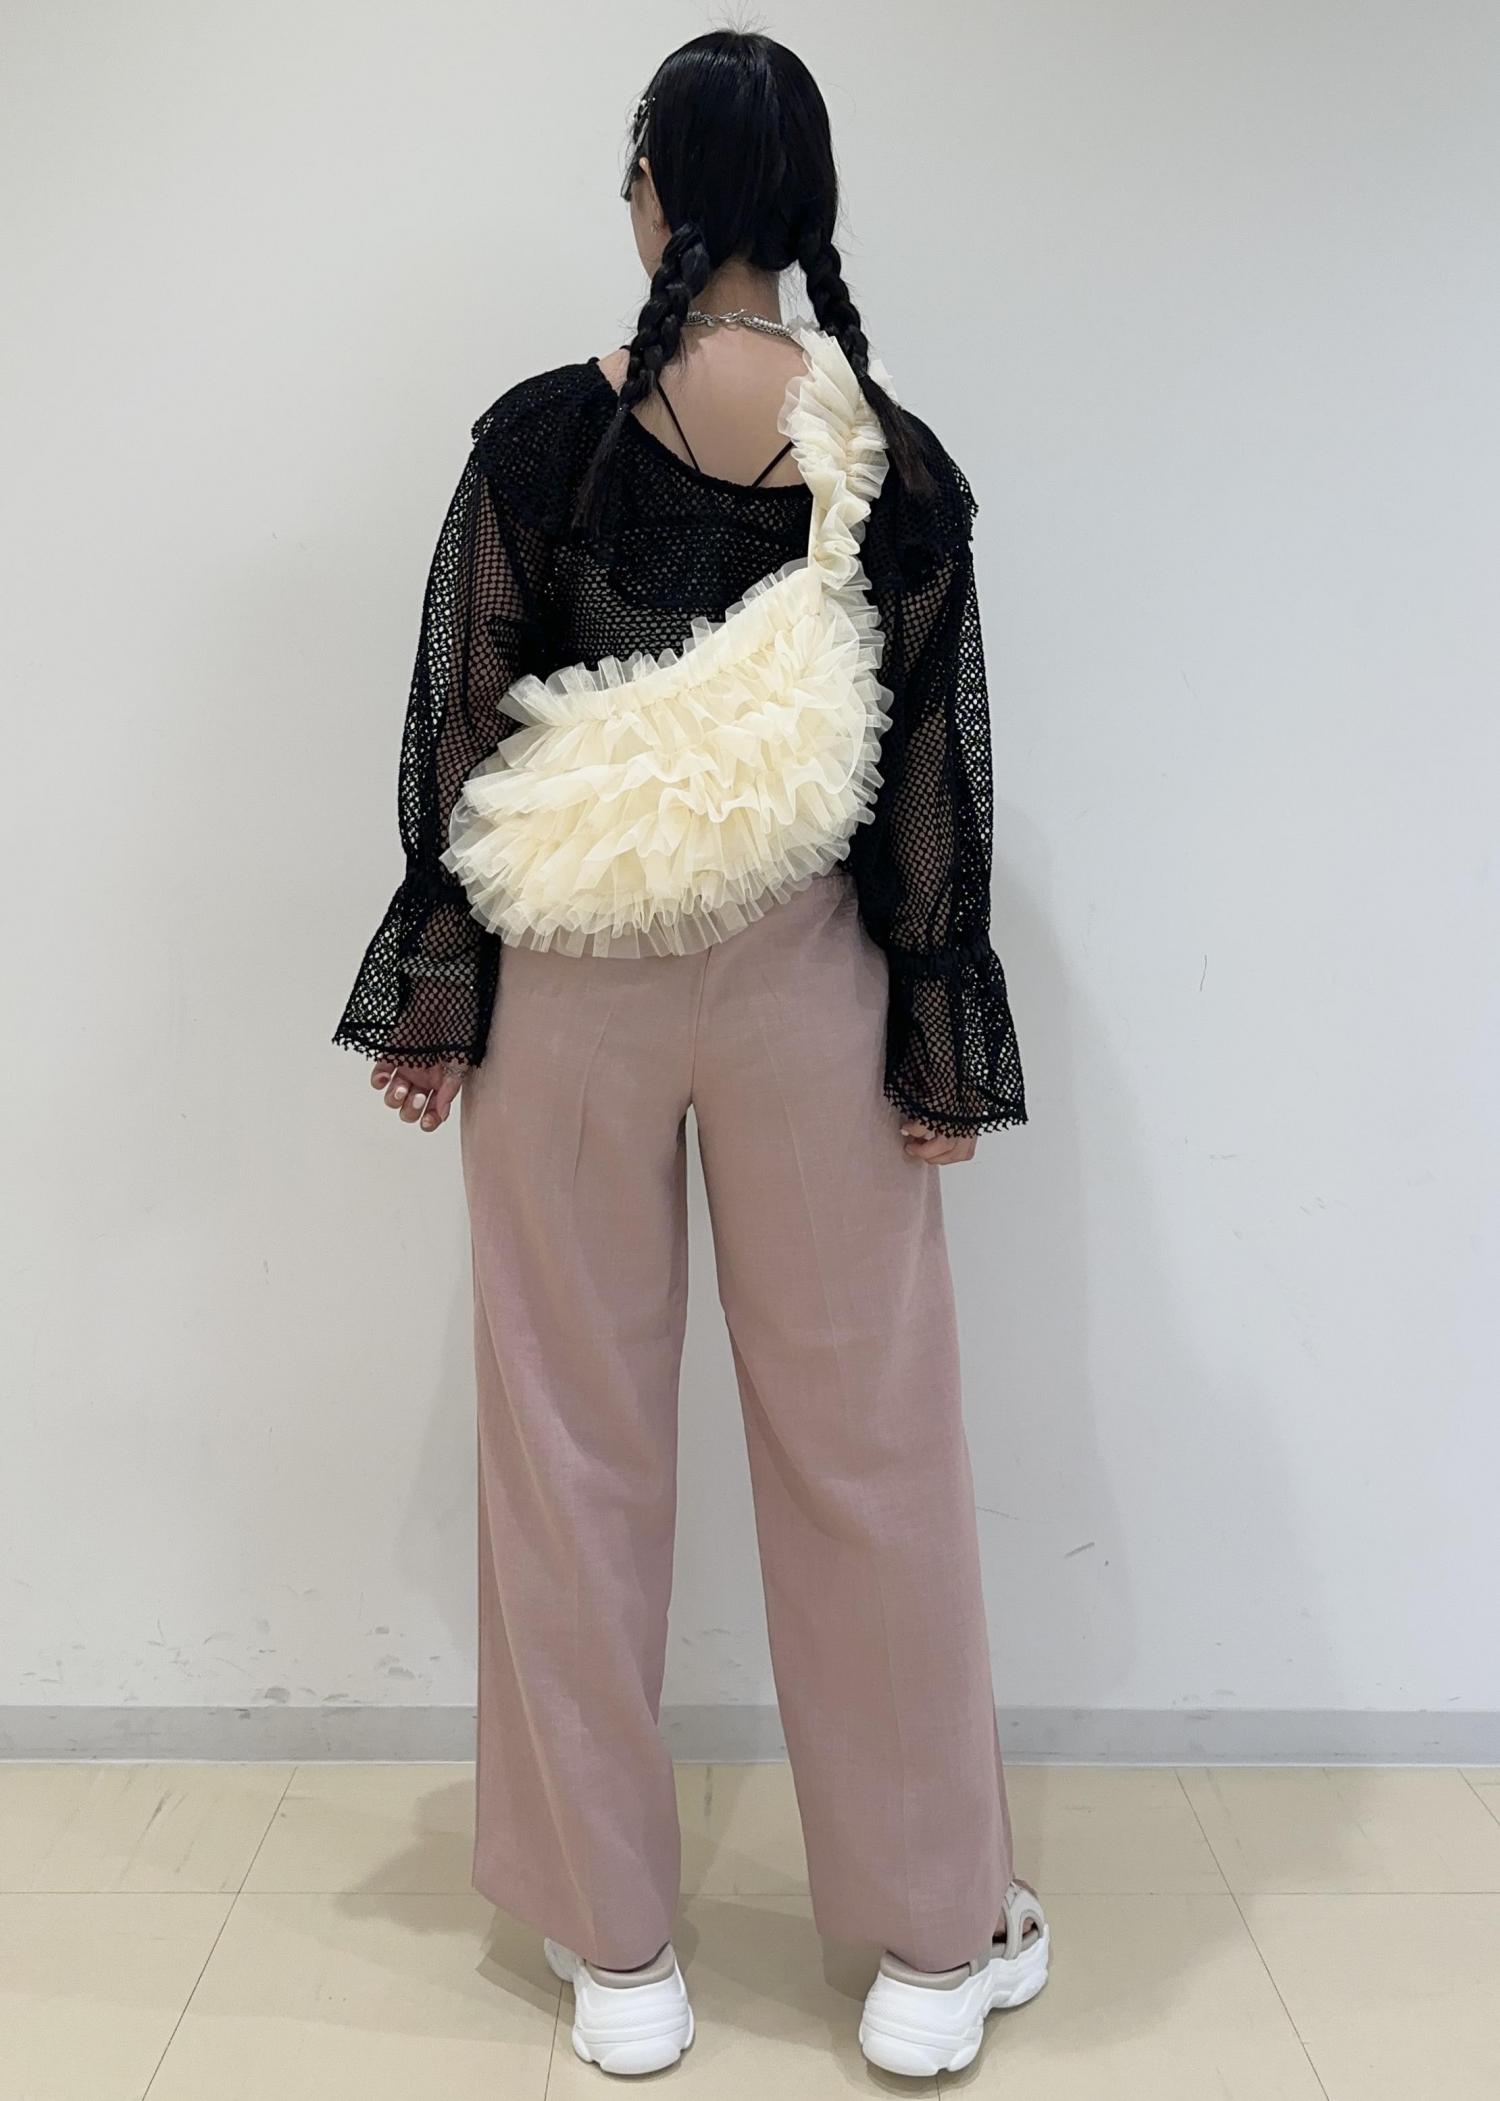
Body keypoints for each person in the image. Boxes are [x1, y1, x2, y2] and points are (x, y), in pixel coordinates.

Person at [332, 27, 1048, 2082]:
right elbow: (935, 780)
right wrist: (937, 1044)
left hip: (568, 983)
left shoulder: (543, 439)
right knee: (870, 1443)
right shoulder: (893, 463)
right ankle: (933, 1944)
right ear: (805, 210)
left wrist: (439, 989)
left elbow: (460, 728)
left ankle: (619, 1948)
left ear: (651, 191)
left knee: (570, 1446)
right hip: (813, 984)